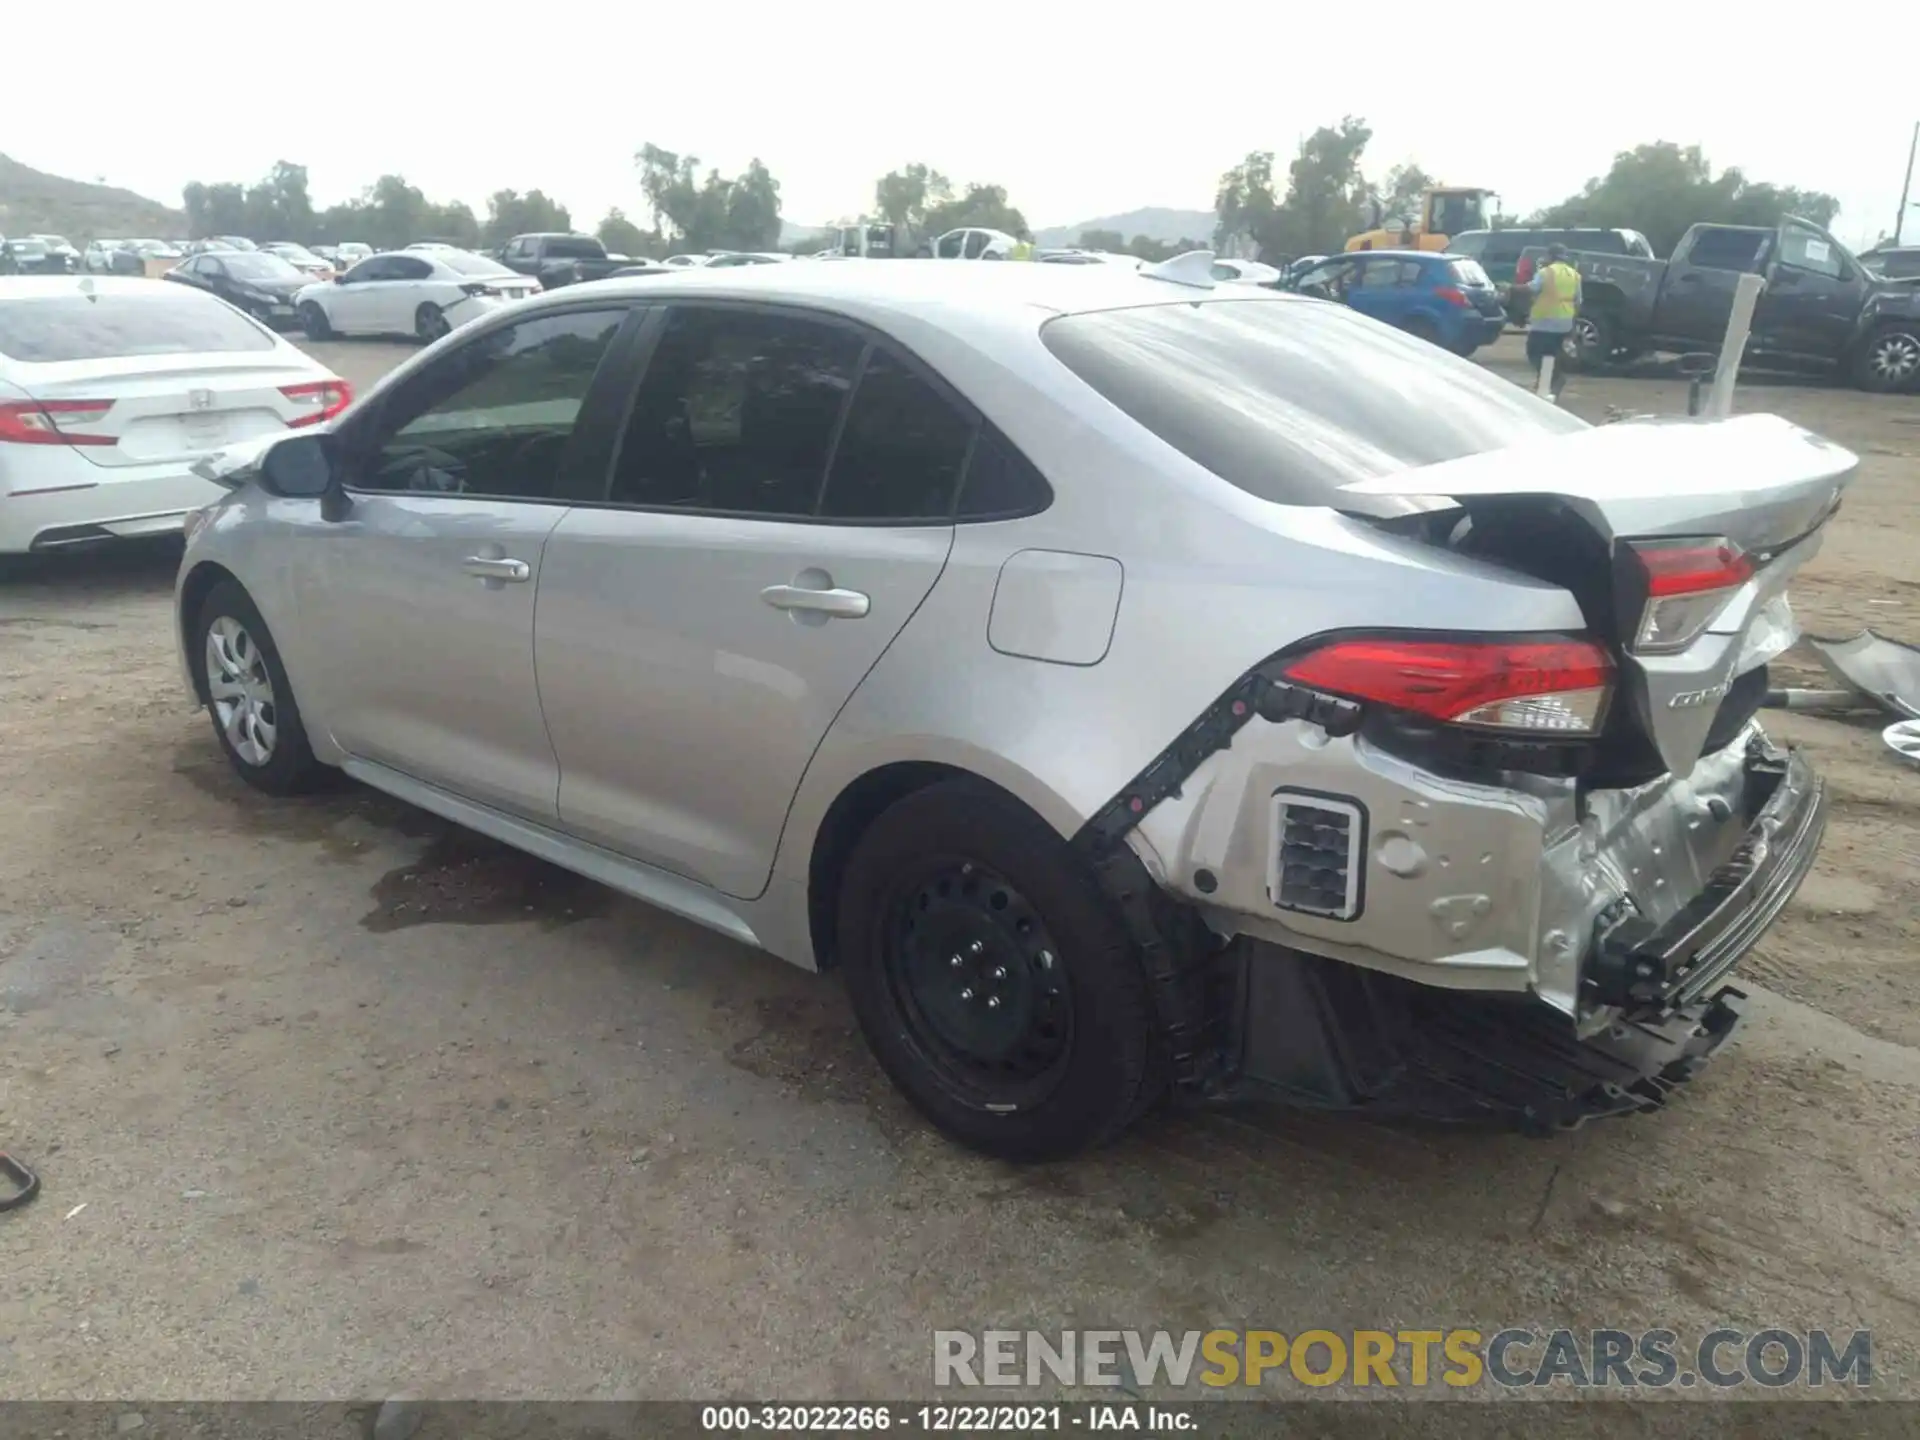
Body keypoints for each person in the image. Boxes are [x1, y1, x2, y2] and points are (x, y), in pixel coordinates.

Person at [1524, 242, 1583, 398]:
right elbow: (1578, 302)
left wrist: (1512, 288)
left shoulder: (1546, 272)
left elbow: (1532, 288)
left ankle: (1552, 380)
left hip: (1544, 321)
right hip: (1564, 322)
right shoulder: (1574, 275)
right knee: (1552, 353)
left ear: (1549, 256)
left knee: (1534, 352)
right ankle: (1546, 384)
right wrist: (1572, 326)